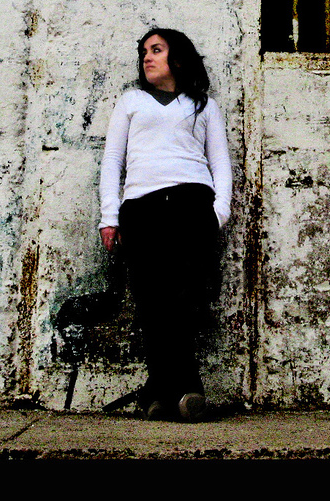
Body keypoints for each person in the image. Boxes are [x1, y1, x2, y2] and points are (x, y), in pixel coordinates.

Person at [98, 27, 231, 422]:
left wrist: (219, 212)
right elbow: (113, 160)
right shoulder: (131, 101)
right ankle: (183, 390)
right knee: (152, 300)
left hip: (192, 206)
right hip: (142, 209)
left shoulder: (204, 106)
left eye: (156, 49)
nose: (147, 57)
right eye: (144, 51)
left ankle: (161, 393)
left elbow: (220, 161)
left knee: (184, 298)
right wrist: (110, 216)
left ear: (178, 58)